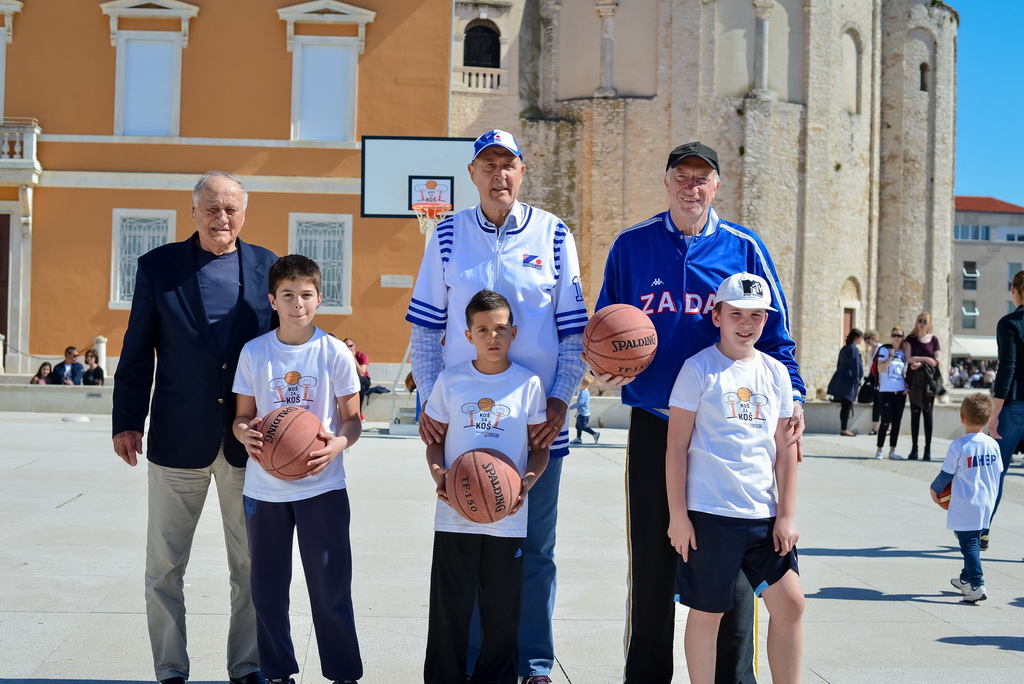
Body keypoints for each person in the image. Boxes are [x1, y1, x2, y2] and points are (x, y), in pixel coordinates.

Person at [591, 141, 805, 684]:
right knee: (654, 568)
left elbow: (776, 333)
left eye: (702, 178)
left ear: (716, 187)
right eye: (681, 176)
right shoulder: (631, 246)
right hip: (657, 424)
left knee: (730, 577)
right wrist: (604, 370)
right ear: (666, 183)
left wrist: (793, 396)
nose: (691, 186)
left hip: (726, 432)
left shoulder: (744, 247)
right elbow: (604, 329)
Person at [406, 129, 588, 684]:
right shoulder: (445, 235)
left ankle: (532, 664)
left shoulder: (555, 236)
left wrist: (560, 400)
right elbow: (425, 329)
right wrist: (430, 415)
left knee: (533, 550)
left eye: (507, 165)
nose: (498, 175)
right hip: (465, 422)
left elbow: (575, 334)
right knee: (471, 544)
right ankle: (473, 662)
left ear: (522, 171)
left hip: (534, 423)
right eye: (488, 165)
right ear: (473, 173)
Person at [112, 171, 277, 684]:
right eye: (211, 208)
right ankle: (170, 669)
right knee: (163, 569)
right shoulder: (158, 268)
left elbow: (287, 344)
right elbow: (137, 349)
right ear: (194, 212)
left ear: (244, 213)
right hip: (175, 437)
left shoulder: (268, 266)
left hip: (249, 444)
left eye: (230, 208)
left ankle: (247, 666)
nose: (221, 217)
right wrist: (126, 420)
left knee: (252, 569)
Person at [666, 272, 804, 684]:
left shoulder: (777, 373)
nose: (746, 324)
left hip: (763, 515)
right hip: (712, 513)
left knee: (792, 605)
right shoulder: (699, 369)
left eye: (757, 316)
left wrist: (786, 514)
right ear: (717, 316)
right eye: (736, 314)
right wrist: (678, 516)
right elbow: (675, 448)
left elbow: (786, 450)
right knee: (708, 613)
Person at [232, 255, 363, 684]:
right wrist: (244, 433)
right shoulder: (255, 352)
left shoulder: (334, 353)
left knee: (330, 589)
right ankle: (276, 672)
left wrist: (338, 446)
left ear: (319, 298)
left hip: (322, 487)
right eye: (287, 295)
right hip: (265, 489)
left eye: (306, 295)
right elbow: (242, 416)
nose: (297, 304)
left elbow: (353, 419)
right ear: (272, 300)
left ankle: (343, 674)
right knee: (267, 592)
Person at [422, 289, 548, 684]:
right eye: (482, 330)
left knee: (501, 611)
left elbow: (539, 449)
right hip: (454, 515)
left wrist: (525, 484)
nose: (491, 337)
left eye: (499, 329)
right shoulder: (452, 380)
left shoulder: (527, 384)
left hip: (507, 517)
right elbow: (435, 442)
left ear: (513, 332)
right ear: (468, 335)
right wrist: (440, 476)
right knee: (449, 610)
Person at [929, 393, 1002, 603]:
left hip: (965, 504)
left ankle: (977, 584)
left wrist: (935, 491)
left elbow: (946, 475)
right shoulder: (992, 445)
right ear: (989, 419)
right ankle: (965, 579)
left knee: (968, 545)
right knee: (973, 541)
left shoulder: (959, 446)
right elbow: (998, 473)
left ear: (962, 418)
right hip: (986, 503)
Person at [985, 271, 1024, 550]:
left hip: (1014, 406)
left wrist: (994, 412)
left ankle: (983, 530)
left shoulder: (1009, 323)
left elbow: (1007, 368)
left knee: (997, 469)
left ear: (1015, 290)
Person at [903, 312, 942, 460]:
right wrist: (925, 359)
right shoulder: (910, 339)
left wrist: (922, 362)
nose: (922, 323)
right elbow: (908, 358)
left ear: (929, 323)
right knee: (915, 415)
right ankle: (914, 449)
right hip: (914, 383)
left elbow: (937, 359)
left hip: (928, 383)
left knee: (928, 415)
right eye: (920, 320)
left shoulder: (934, 340)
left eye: (925, 321)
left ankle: (928, 450)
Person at [873, 326, 908, 460]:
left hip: (899, 391)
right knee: (885, 421)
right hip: (886, 390)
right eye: (894, 335)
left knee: (896, 423)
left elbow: (904, 372)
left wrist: (907, 386)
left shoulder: (903, 353)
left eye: (899, 336)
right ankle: (879, 449)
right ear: (891, 336)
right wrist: (891, 356)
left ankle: (892, 450)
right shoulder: (884, 349)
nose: (897, 338)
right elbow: (881, 369)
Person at [827, 329, 864, 437]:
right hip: (849, 380)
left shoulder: (844, 348)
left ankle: (844, 428)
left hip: (841, 378)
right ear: (856, 338)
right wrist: (857, 380)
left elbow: (838, 364)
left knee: (845, 405)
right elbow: (855, 365)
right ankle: (844, 429)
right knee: (847, 405)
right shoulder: (853, 349)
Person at [569, 375, 600, 445]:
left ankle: (595, 434)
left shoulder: (583, 393)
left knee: (583, 427)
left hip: (583, 414)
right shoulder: (585, 391)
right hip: (581, 413)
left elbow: (580, 403)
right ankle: (578, 438)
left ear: (583, 385)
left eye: (579, 384)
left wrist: (571, 407)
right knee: (578, 426)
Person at [344, 338, 371, 419]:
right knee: (360, 388)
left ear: (355, 346)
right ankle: (358, 413)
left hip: (364, 379)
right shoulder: (342, 357)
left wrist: (353, 358)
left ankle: (358, 412)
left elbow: (361, 372)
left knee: (359, 380)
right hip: (352, 382)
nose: (349, 348)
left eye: (351, 346)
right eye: (346, 346)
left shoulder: (362, 356)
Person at [862, 330, 881, 434]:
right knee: (876, 403)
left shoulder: (881, 348)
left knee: (882, 402)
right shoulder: (869, 352)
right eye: (865, 339)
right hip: (873, 379)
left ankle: (887, 427)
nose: (867, 341)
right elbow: (870, 367)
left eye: (869, 338)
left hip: (881, 379)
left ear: (874, 337)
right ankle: (875, 428)